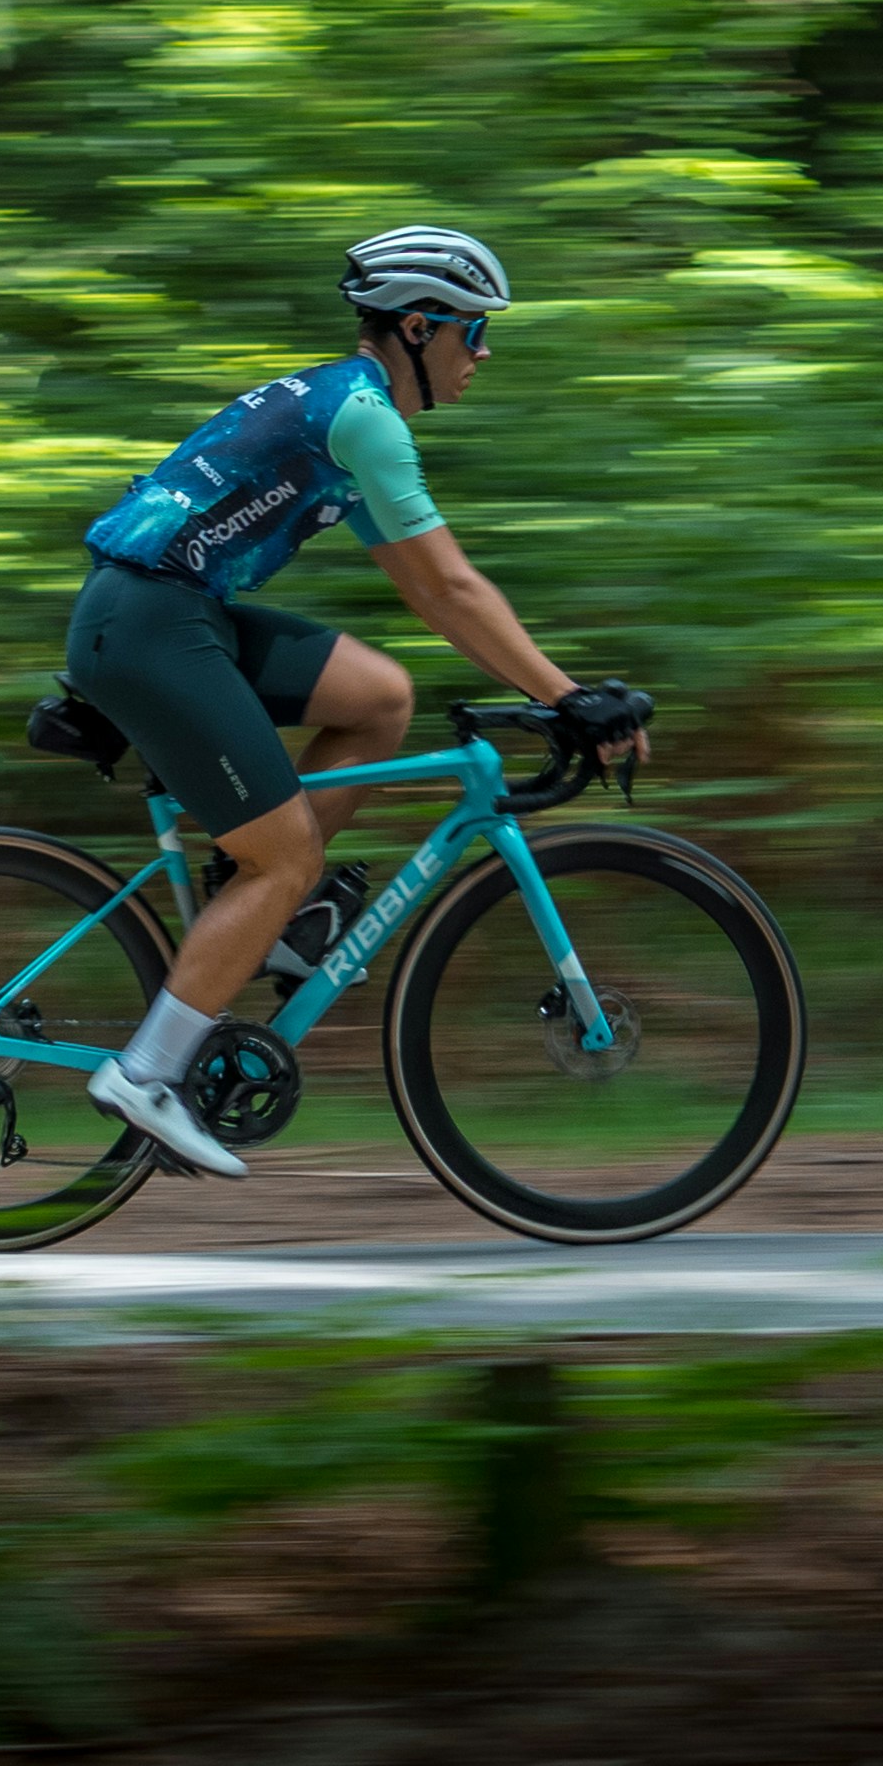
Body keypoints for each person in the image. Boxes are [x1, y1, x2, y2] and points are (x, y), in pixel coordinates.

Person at [60, 224, 636, 1177]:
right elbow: (452, 590)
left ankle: (275, 920)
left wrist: (550, 687)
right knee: (280, 855)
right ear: (418, 326)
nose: (482, 354)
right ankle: (148, 1072)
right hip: (152, 625)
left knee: (378, 695)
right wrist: (569, 697)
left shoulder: (345, 411)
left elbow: (427, 590)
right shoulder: (364, 418)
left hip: (163, 612)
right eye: (473, 333)